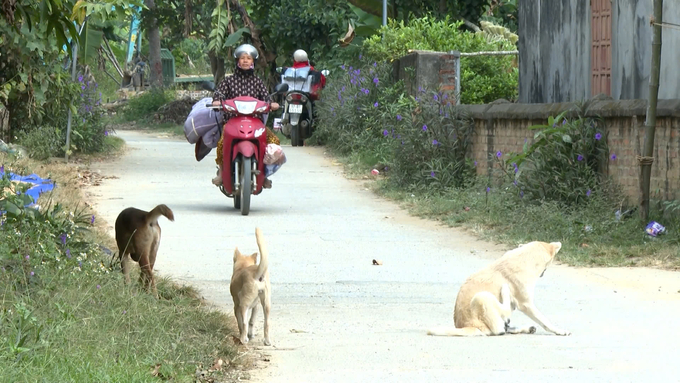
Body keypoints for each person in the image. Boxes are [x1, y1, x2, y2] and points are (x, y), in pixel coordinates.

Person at [211, 44, 280, 188]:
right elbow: (219, 94)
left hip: (255, 122)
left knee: (274, 141)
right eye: (242, 58)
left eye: (248, 58)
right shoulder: (228, 81)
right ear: (237, 61)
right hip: (232, 121)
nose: (245, 61)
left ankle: (265, 173)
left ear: (253, 62)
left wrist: (271, 104)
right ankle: (222, 172)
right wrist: (217, 100)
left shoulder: (257, 82)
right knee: (222, 143)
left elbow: (266, 97)